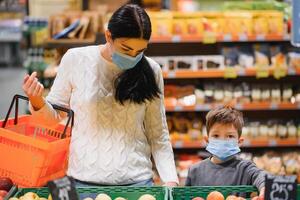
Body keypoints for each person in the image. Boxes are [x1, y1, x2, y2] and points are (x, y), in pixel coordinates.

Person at [22, 4, 178, 187]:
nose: (133, 57)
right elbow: (54, 117)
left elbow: (158, 134)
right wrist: (37, 101)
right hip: (83, 180)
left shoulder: (151, 70)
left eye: (140, 51)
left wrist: (170, 179)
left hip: (137, 182)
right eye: (126, 49)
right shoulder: (76, 59)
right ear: (108, 36)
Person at [185, 107, 266, 199]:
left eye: (230, 136)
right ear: (207, 140)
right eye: (216, 135)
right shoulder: (195, 171)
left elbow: (261, 176)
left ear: (239, 142)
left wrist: (264, 188)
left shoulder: (245, 168)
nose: (222, 140)